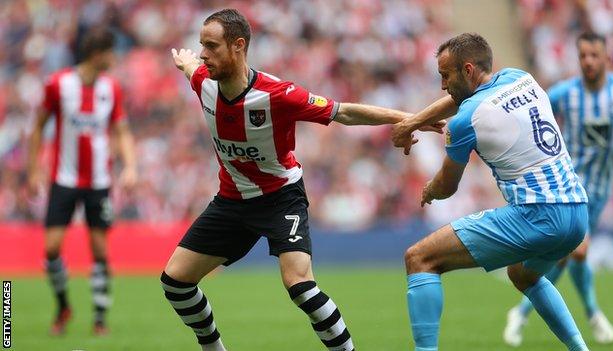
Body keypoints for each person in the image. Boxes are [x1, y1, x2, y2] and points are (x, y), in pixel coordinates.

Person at [162, 8, 442, 351]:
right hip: (231, 201)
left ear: (238, 46)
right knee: (175, 282)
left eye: (212, 46)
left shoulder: (279, 94)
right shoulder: (203, 81)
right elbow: (192, 67)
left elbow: (345, 112)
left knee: (299, 285)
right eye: (201, 45)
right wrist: (186, 61)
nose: (204, 54)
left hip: (280, 197)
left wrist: (412, 119)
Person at [391, 33, 592, 351]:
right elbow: (463, 98)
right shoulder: (520, 77)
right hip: (577, 214)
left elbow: (447, 186)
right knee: (522, 275)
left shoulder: (465, 121)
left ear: (467, 70)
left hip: (537, 215)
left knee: (419, 259)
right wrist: (413, 122)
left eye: (446, 76)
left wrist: (429, 190)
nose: (443, 85)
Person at [504, 31, 613, 347]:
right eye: (583, 56)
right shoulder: (565, 94)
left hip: (600, 191)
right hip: (569, 189)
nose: (588, 62)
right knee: (577, 250)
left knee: (566, 259)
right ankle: (593, 314)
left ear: (606, 58)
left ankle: (522, 312)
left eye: (594, 55)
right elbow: (531, 111)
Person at [27, 27, 137, 336]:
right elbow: (37, 128)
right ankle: (63, 305)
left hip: (99, 182)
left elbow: (122, 130)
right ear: (97, 53)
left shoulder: (111, 88)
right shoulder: (59, 84)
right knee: (50, 248)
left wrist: (130, 166)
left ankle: (100, 319)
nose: (114, 58)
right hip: (64, 178)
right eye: (111, 52)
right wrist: (34, 170)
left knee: (100, 250)